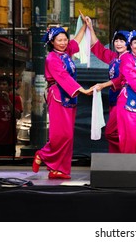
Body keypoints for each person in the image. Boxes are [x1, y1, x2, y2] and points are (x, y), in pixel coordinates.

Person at [32, 23, 93, 179]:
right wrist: (82, 90)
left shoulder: (66, 53)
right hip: (59, 95)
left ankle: (58, 169)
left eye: (65, 39)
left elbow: (76, 42)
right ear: (52, 42)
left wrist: (85, 27)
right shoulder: (52, 58)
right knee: (60, 134)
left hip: (70, 96)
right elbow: (63, 77)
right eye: (59, 40)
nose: (64, 42)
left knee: (68, 135)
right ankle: (43, 155)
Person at [85, 16, 130, 153]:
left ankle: (129, 152)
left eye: (122, 41)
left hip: (125, 100)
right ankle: (117, 160)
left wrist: (103, 85)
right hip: (114, 99)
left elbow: (122, 78)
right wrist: (90, 27)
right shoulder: (114, 57)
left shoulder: (128, 58)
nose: (118, 43)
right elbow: (97, 48)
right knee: (116, 132)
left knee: (111, 132)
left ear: (128, 43)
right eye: (116, 40)